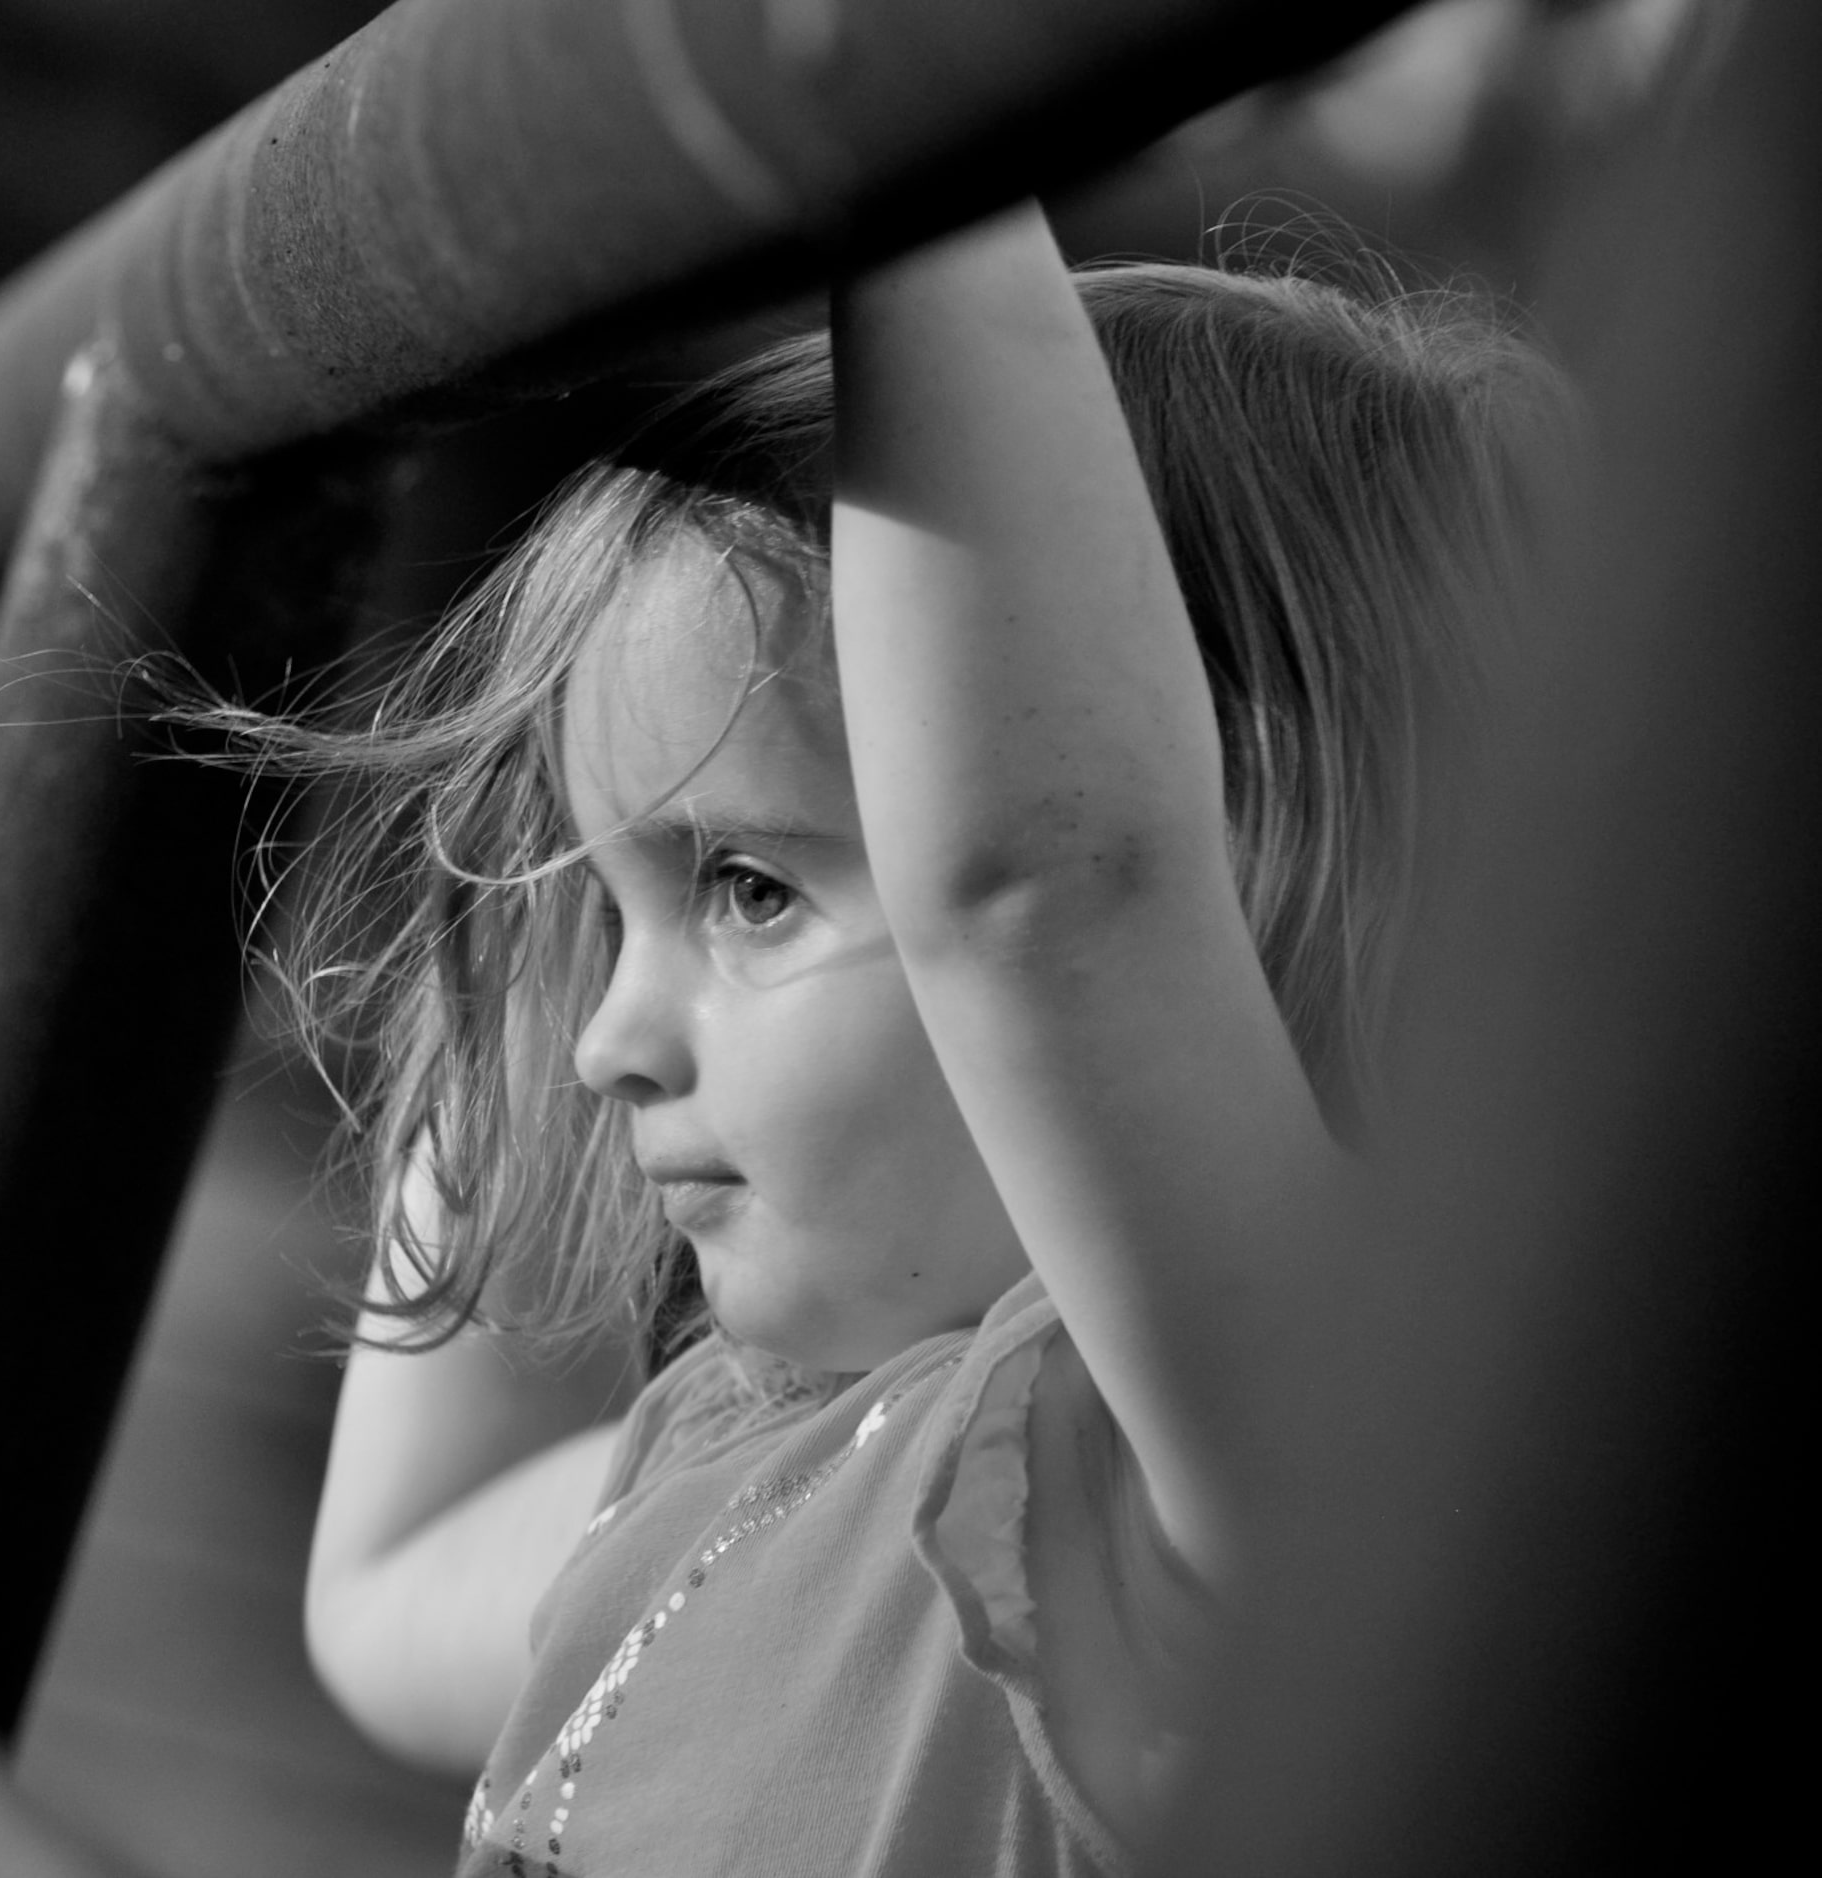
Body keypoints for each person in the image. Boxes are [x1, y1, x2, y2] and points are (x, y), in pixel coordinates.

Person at [197, 203, 1563, 1875]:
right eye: (606, 907)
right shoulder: (728, 1444)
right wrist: (513, 965)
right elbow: (384, 1589)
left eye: (753, 887)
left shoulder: (1227, 1484)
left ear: (1241, 862)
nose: (604, 1042)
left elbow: (1049, 894)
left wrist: (905, 148)